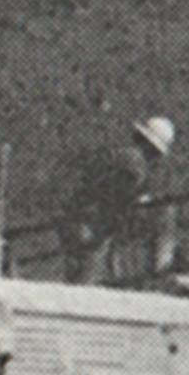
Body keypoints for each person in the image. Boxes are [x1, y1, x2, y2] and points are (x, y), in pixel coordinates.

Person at [61, 116, 180, 285]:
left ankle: (161, 267)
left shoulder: (121, 156)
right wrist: (141, 202)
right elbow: (121, 196)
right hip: (95, 222)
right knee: (165, 213)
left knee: (88, 270)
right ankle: (163, 268)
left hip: (86, 218)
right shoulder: (134, 163)